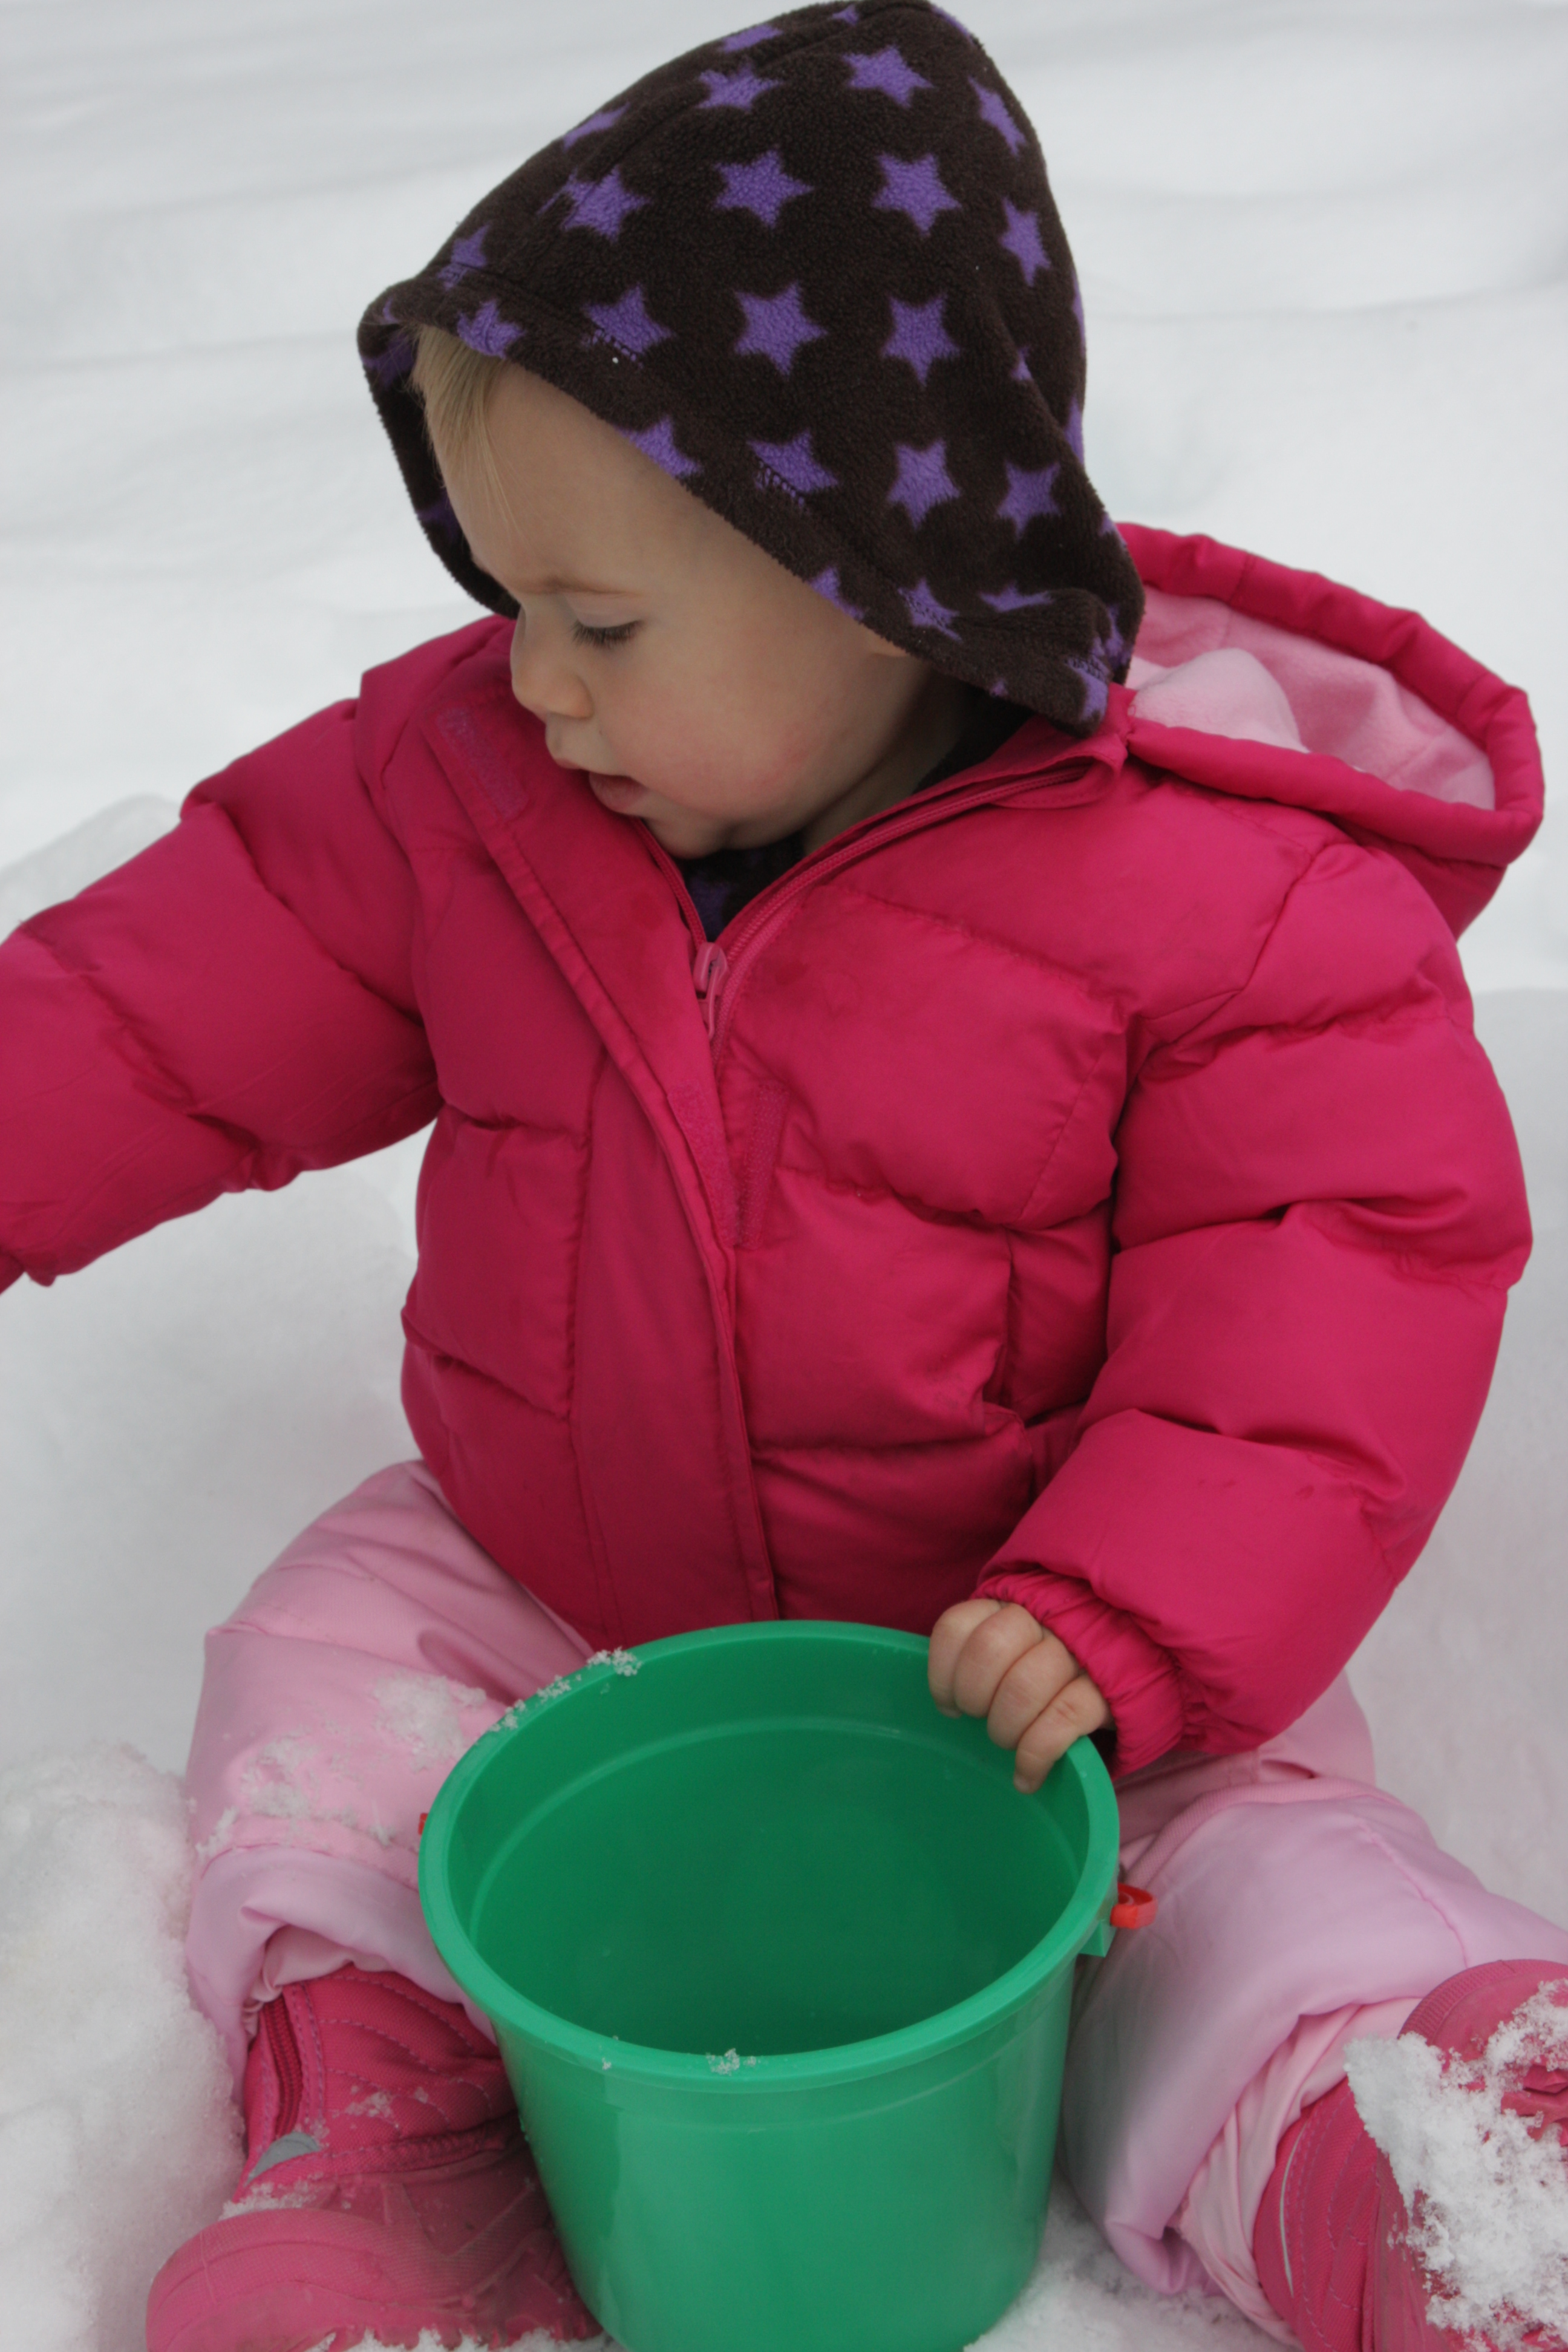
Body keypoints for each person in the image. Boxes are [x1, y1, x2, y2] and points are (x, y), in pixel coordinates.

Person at [2, 4, 1563, 2348]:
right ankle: (402, 2124)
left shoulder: (1224, 892)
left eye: (603, 622)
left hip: (1033, 1669)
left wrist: (1135, 1610)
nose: (535, 679)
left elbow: (1337, 1278)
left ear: (877, 567)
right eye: (508, 601)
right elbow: (158, 1004)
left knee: (1250, 1886)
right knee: (335, 1681)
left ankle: (1410, 2145)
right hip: (563, 1594)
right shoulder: (459, 794)